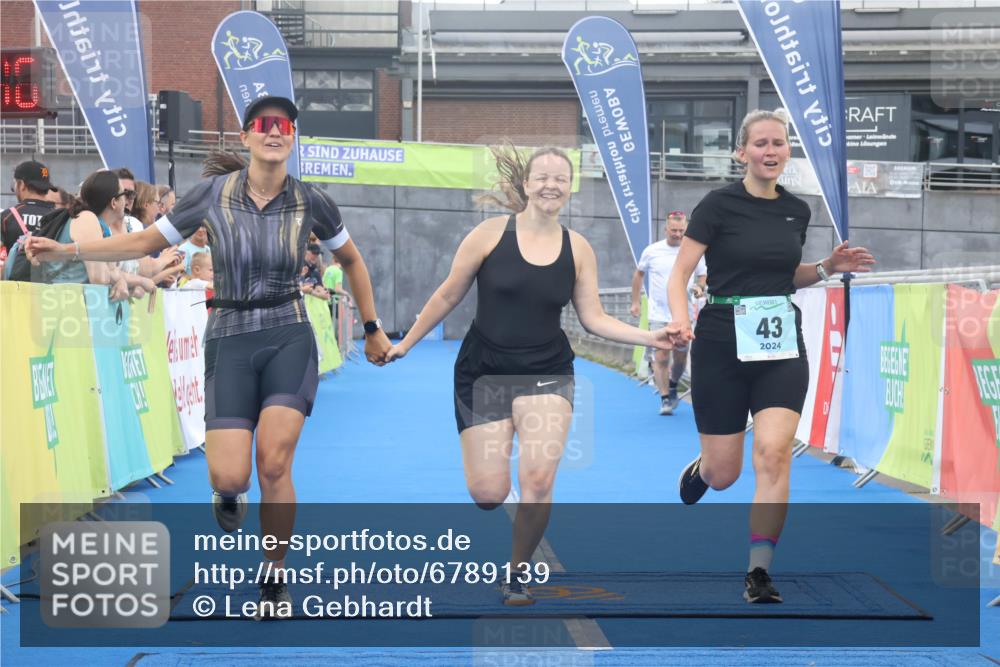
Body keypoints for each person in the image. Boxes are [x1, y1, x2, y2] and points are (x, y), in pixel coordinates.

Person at [27, 95, 391, 618]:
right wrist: (67, 251)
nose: (274, 131)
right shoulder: (210, 196)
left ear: (293, 138)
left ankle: (274, 573)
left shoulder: (312, 201)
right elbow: (145, 241)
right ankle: (227, 495)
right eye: (263, 124)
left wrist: (374, 328)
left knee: (275, 459)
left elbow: (352, 260)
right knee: (229, 476)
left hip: (288, 331)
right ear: (244, 138)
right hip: (229, 336)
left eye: (284, 125)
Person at [385, 143, 671, 606]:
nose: (551, 185)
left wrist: (650, 337)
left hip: (547, 371)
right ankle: (499, 498)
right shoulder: (488, 235)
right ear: (526, 184)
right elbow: (447, 296)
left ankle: (516, 573)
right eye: (542, 177)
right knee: (488, 492)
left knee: (537, 479)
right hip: (484, 371)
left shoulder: (577, 249)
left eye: (561, 178)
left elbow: (594, 317)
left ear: (571, 188)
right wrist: (404, 344)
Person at [666, 109, 875, 604]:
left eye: (778, 143)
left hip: (779, 343)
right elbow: (680, 275)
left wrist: (826, 266)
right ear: (742, 152)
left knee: (775, 453)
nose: (770, 151)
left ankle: (758, 571)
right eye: (760, 143)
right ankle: (703, 469)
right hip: (720, 340)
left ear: (787, 151)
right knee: (725, 474)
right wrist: (680, 319)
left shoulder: (796, 211)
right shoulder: (716, 206)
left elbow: (784, 276)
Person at [30, 169, 157, 298]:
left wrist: (127, 281)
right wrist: (135, 281)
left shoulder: (99, 226)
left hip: (66, 302)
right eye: (124, 194)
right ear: (114, 203)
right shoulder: (87, 219)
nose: (128, 200)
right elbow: (99, 277)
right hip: (61, 303)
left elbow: (111, 272)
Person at [630, 211, 707, 415]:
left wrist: (700, 288)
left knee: (680, 359)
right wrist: (636, 301)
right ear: (666, 229)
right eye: (674, 230)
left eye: (682, 231)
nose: (678, 234)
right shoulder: (652, 251)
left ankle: (673, 385)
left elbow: (702, 276)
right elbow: (638, 275)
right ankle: (664, 398)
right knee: (661, 357)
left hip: (683, 315)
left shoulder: (691, 251)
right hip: (658, 314)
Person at [2, 160, 57, 261]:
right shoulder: (59, 216)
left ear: (21, 184)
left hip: (14, 276)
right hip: (50, 276)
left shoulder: (6, 216)